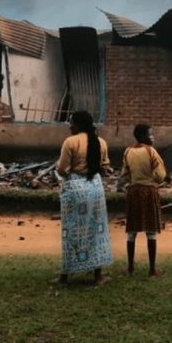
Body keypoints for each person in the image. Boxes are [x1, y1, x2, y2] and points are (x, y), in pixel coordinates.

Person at [55, 110, 113, 285]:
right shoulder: (101, 142)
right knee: (96, 230)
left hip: (75, 190)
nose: (69, 126)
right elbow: (105, 167)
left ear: (78, 124)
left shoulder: (70, 142)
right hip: (95, 189)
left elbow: (62, 169)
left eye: (71, 122)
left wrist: (62, 171)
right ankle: (98, 275)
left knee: (72, 231)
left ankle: (65, 275)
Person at [120, 123, 167, 276]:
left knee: (132, 231)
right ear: (143, 136)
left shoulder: (128, 151)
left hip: (133, 191)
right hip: (149, 191)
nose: (153, 137)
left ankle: (130, 268)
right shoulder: (151, 151)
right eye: (150, 134)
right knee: (151, 230)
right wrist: (151, 179)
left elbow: (124, 173)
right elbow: (161, 175)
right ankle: (152, 269)